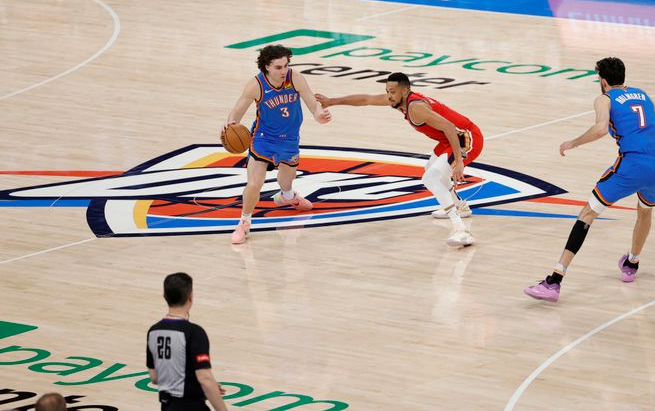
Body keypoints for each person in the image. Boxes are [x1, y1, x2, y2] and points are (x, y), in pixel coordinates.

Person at [524, 57, 655, 302]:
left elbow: (599, 129)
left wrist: (572, 143)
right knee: (645, 212)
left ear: (603, 81)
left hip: (632, 166)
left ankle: (554, 281)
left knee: (587, 214)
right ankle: (631, 264)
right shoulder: (643, 95)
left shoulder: (604, 98)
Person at [315, 72, 483, 247]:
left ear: (405, 91)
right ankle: (460, 207)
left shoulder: (416, 107)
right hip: (449, 139)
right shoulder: (399, 100)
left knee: (431, 178)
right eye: (387, 91)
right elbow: (366, 99)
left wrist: (459, 161)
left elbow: (449, 126)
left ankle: (461, 229)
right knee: (431, 169)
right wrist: (332, 101)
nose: (389, 96)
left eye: (392, 92)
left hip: (466, 139)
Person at [224, 45, 331, 245]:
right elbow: (237, 111)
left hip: (289, 139)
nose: (284, 71)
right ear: (266, 67)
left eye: (286, 66)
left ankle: (287, 196)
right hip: (263, 138)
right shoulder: (255, 85)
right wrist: (231, 123)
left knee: (286, 181)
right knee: (255, 183)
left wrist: (319, 115)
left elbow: (311, 102)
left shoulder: (295, 78)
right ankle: (244, 223)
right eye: (278, 67)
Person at [146, 272, 228, 411]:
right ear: (190, 296)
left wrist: (196, 384)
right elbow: (205, 379)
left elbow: (154, 377)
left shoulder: (153, 331)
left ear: (165, 297)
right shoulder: (194, 333)